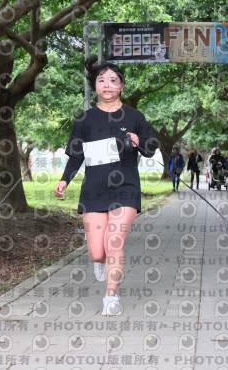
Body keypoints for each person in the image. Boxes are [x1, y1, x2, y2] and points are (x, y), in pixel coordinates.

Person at [54, 62, 159, 317]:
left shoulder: (135, 116)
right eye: (101, 80)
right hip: (94, 189)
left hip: (126, 188)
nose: (107, 85)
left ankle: (111, 296)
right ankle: (100, 262)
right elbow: (76, 156)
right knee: (97, 252)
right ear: (95, 86)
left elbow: (151, 146)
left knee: (114, 242)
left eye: (113, 80)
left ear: (121, 86)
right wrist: (65, 180)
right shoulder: (84, 119)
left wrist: (139, 141)